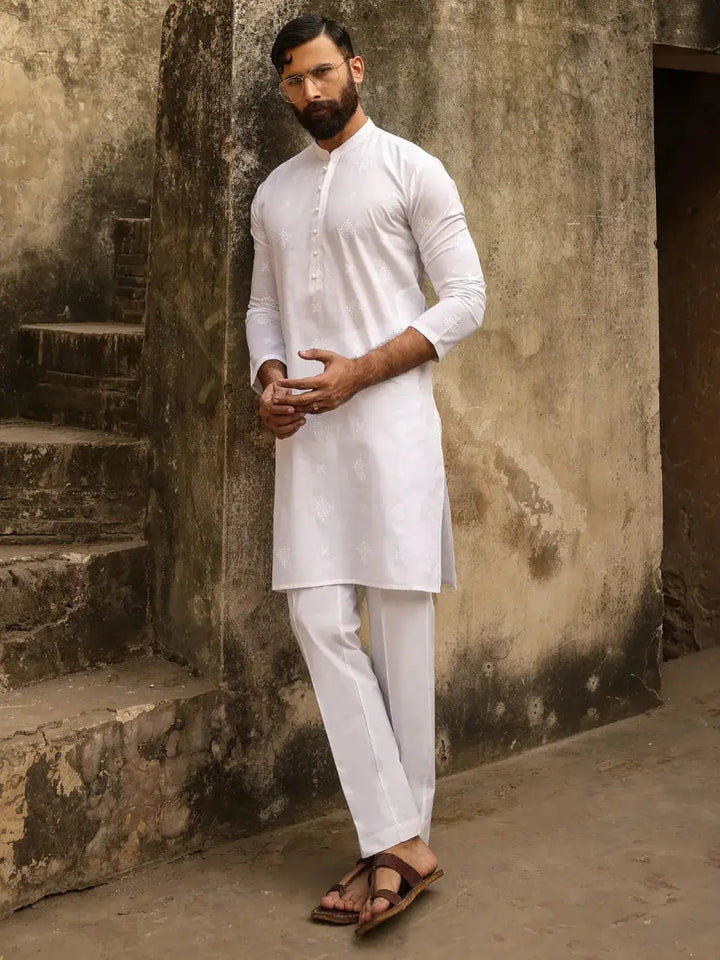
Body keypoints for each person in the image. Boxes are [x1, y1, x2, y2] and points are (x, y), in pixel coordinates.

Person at [245, 13, 486, 935]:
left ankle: (390, 848)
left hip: (389, 431)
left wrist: (360, 371)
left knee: (400, 642)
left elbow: (467, 297)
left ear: (355, 68)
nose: (310, 93)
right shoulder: (273, 190)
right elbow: (264, 306)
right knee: (316, 617)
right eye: (293, 83)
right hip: (307, 439)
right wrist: (270, 378)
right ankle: (403, 841)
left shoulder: (411, 169)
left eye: (320, 74)